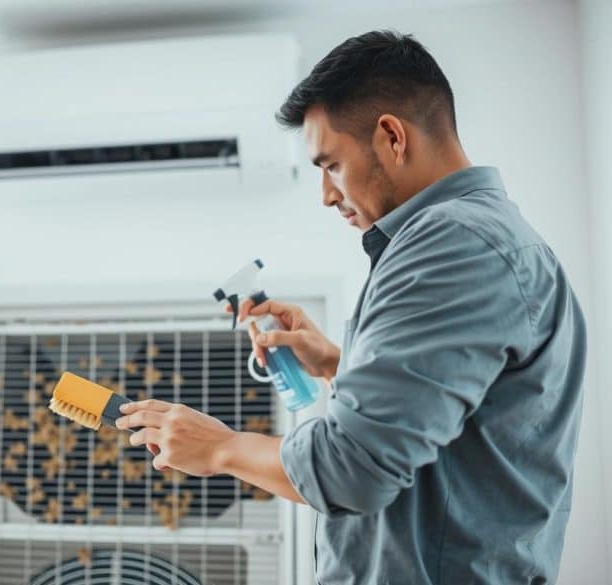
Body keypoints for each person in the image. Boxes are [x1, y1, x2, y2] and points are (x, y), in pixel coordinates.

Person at [115, 30, 586, 584]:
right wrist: (341, 363)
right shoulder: (485, 240)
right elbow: (459, 422)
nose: (326, 195)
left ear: (391, 135)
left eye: (331, 165)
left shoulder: (454, 243)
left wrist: (221, 449)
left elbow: (352, 471)